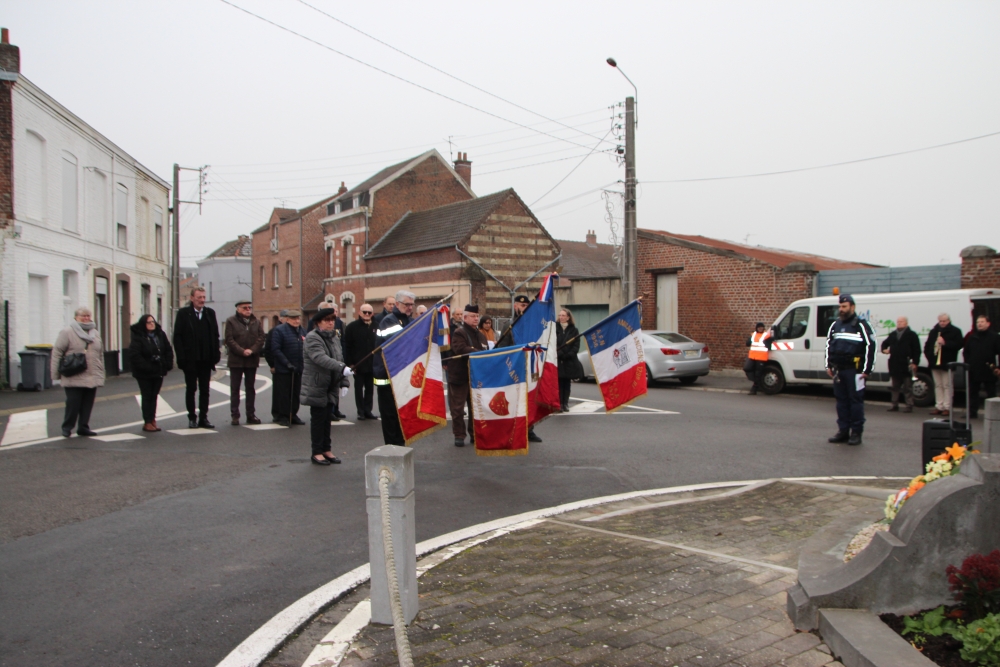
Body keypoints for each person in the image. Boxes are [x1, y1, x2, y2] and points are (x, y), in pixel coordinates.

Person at [301, 309, 353, 465]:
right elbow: (320, 358)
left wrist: (344, 381)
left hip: (332, 383)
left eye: (332, 320)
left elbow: (339, 357)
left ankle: (326, 449)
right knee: (318, 419)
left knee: (327, 419)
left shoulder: (334, 337)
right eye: (327, 320)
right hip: (317, 383)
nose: (331, 323)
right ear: (318, 323)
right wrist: (341, 368)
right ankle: (317, 452)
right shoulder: (312, 337)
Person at [825, 294, 877, 446]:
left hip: (855, 371)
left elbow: (871, 347)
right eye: (840, 307)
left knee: (855, 402)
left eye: (844, 307)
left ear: (852, 307)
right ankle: (843, 431)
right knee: (841, 402)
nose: (841, 309)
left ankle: (856, 432)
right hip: (839, 370)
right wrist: (828, 365)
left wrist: (867, 370)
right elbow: (829, 345)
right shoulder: (835, 325)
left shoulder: (861, 325)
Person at [51, 307, 106, 437]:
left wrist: (101, 372)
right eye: (83, 316)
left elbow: (100, 354)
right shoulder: (67, 332)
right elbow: (57, 352)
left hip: (91, 375)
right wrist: (55, 374)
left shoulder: (95, 333)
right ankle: (67, 427)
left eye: (88, 316)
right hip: (74, 374)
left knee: (87, 404)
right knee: (73, 404)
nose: (86, 318)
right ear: (76, 317)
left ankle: (83, 427)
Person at [495, 294, 543, 442]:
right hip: (513, 368)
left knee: (529, 400)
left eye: (527, 306)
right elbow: (503, 348)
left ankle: (529, 429)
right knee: (512, 400)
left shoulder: (533, 325)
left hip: (529, 367)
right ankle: (512, 430)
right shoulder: (509, 325)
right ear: (515, 306)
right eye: (522, 305)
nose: (524, 308)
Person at [173, 286, 221, 429]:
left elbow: (215, 335)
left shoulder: (209, 313)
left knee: (205, 390)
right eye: (199, 297)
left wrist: (215, 354)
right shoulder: (183, 314)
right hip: (190, 359)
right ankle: (192, 417)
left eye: (204, 297)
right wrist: (181, 358)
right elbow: (177, 337)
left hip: (206, 359)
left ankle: (203, 418)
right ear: (192, 298)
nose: (202, 300)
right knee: (191, 389)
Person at [373, 290, 415, 445]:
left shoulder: (409, 320)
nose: (410, 307)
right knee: (389, 415)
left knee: (401, 414)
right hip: (387, 375)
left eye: (411, 304)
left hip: (401, 375)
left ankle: (400, 444)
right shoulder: (389, 321)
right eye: (407, 304)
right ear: (397, 304)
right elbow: (400, 343)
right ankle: (392, 447)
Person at [449, 304, 488, 447]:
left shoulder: (481, 336)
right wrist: (478, 352)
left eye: (477, 316)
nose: (476, 318)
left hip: (476, 377)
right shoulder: (459, 333)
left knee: (475, 408)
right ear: (465, 318)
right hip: (460, 376)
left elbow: (486, 352)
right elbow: (460, 348)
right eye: (472, 316)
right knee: (458, 408)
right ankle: (459, 435)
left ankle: (474, 434)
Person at [127, 314, 174, 432]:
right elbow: (135, 355)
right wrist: (147, 366)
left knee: (154, 396)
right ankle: (147, 421)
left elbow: (168, 349)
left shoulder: (160, 334)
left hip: (158, 371)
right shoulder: (138, 337)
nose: (152, 324)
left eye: (153, 321)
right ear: (144, 324)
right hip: (144, 373)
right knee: (147, 396)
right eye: (149, 322)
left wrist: (167, 364)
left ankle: (153, 420)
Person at [224, 300, 265, 426]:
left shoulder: (256, 321)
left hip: (251, 359)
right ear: (238, 309)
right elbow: (229, 339)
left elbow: (261, 338)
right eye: (244, 308)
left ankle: (251, 414)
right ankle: (235, 415)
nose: (248, 310)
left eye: (249, 307)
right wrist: (242, 351)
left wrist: (252, 350)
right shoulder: (231, 321)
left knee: (250, 388)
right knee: (235, 389)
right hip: (236, 360)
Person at [271, 309, 306, 426]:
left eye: (298, 318)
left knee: (296, 393)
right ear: (287, 319)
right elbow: (276, 349)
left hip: (298, 368)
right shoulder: (279, 330)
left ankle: (293, 414)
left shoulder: (302, 331)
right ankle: (283, 416)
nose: (296, 321)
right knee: (284, 394)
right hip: (284, 369)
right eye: (294, 319)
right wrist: (287, 363)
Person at [343, 303, 378, 420]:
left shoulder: (377, 326)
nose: (367, 314)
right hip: (358, 364)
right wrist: (350, 363)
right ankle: (360, 411)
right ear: (359, 313)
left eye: (369, 312)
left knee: (370, 389)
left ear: (372, 314)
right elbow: (347, 347)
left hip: (372, 364)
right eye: (364, 312)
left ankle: (368, 410)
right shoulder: (351, 327)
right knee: (358, 389)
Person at [924, 313, 963, 417]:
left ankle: (947, 407)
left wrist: (945, 343)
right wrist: (930, 357)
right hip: (935, 363)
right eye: (940, 321)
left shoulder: (955, 331)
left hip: (948, 363)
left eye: (944, 321)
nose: (942, 323)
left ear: (948, 321)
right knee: (938, 385)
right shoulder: (934, 331)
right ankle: (939, 406)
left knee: (947, 385)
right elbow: (928, 345)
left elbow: (959, 345)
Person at [880, 316, 921, 413]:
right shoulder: (893, 334)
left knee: (907, 387)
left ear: (906, 323)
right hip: (894, 364)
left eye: (901, 321)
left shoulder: (912, 335)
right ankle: (894, 405)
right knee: (895, 387)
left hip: (906, 364)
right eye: (898, 321)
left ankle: (909, 405)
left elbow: (917, 350)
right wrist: (884, 349)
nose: (899, 323)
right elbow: (884, 343)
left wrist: (915, 363)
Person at [963, 314, 1000, 419]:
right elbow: (966, 352)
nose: (979, 324)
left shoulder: (995, 337)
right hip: (974, 369)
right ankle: (972, 412)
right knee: (973, 392)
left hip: (988, 369)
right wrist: (968, 363)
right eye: (978, 322)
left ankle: (993, 414)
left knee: (991, 392)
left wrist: (998, 367)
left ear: (988, 324)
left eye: (982, 322)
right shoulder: (972, 337)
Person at [556, 308, 583, 412]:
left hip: (569, 361)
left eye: (563, 315)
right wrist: (559, 353)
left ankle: (565, 403)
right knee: (559, 383)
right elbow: (553, 343)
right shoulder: (554, 329)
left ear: (568, 317)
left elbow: (576, 346)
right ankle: (559, 403)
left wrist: (568, 355)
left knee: (567, 382)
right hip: (558, 360)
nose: (561, 317)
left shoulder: (574, 330)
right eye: (560, 315)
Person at [264, 311, 286, 422]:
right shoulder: (275, 331)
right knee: (279, 392)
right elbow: (268, 349)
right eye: (287, 318)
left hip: (293, 366)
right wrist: (272, 364)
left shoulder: (297, 330)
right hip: (279, 366)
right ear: (281, 319)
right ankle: (278, 414)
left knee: (292, 392)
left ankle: (291, 414)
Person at [745, 322, 773, 395]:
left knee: (758, 373)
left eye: (761, 327)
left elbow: (770, 346)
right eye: (759, 327)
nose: (760, 328)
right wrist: (749, 341)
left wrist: (768, 342)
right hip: (752, 356)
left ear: (763, 328)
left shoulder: (766, 335)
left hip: (761, 357)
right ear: (756, 328)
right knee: (747, 368)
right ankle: (756, 381)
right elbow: (747, 343)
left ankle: (755, 387)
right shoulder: (753, 334)